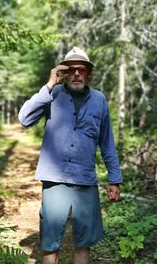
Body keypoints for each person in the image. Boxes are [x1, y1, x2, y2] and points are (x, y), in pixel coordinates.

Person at [18, 47, 123, 264]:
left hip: (85, 179)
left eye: (81, 70)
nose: (76, 74)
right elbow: (24, 119)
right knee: (50, 241)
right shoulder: (53, 94)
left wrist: (115, 178)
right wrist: (49, 84)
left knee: (84, 241)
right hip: (55, 178)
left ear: (88, 73)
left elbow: (107, 142)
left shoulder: (99, 100)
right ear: (63, 72)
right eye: (71, 69)